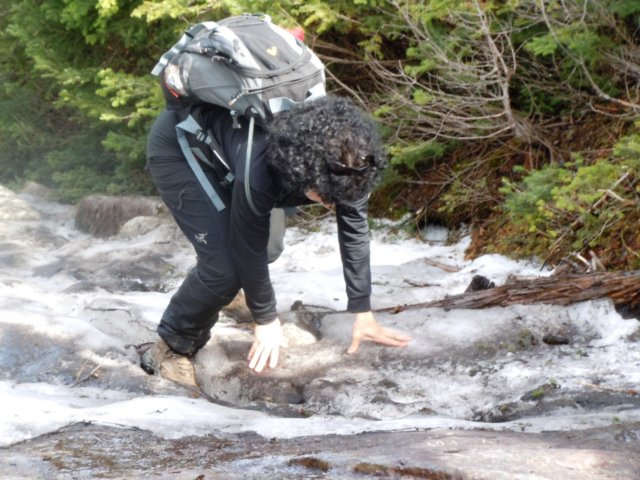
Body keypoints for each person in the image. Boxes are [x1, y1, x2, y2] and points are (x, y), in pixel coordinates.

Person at [141, 88, 411, 385]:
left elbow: (355, 229)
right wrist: (266, 320)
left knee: (269, 247)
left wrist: (362, 310)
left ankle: (227, 294)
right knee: (225, 268)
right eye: (325, 199)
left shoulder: (351, 164)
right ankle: (172, 344)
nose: (331, 206)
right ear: (302, 175)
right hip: (182, 149)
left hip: (232, 155)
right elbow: (246, 246)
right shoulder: (261, 166)